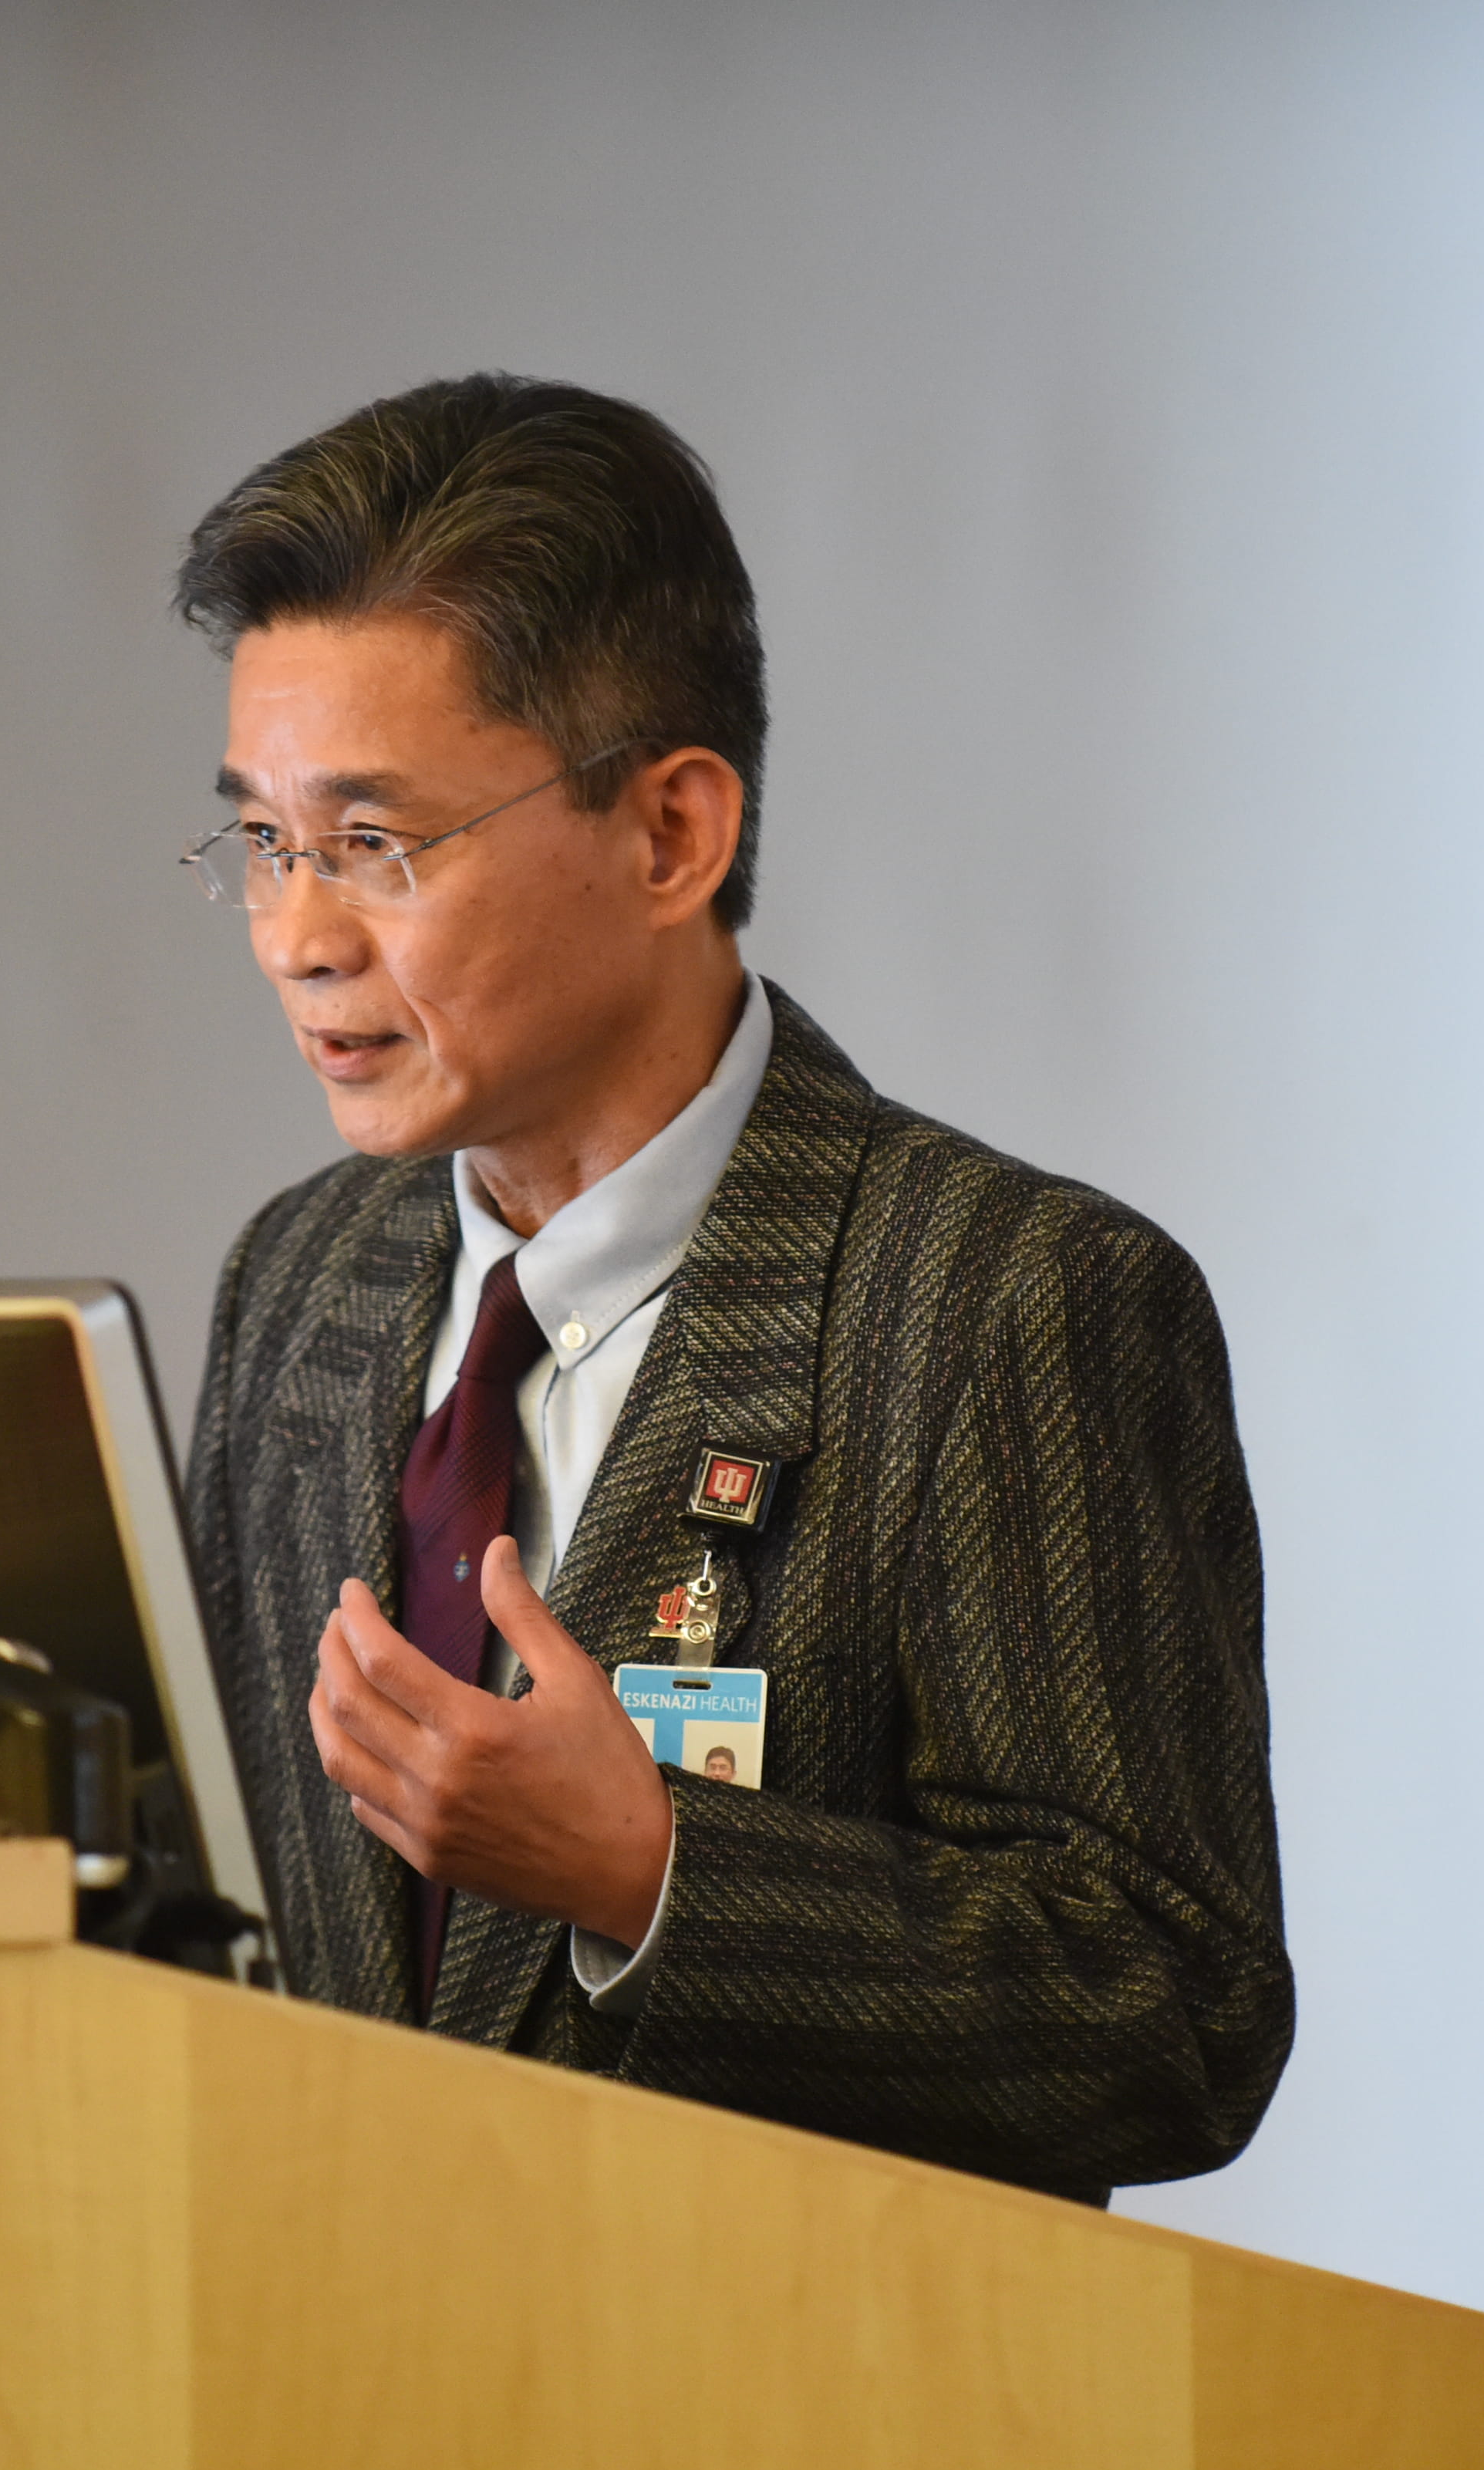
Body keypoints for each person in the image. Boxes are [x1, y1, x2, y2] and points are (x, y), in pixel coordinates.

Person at [173, 374, 1287, 2201]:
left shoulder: (1013, 1303)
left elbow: (1173, 2006)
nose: (301, 932)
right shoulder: (302, 1283)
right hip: (344, 2417)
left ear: (672, 833)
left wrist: (655, 1872)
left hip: (800, 2447)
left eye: (378, 842)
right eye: (269, 843)